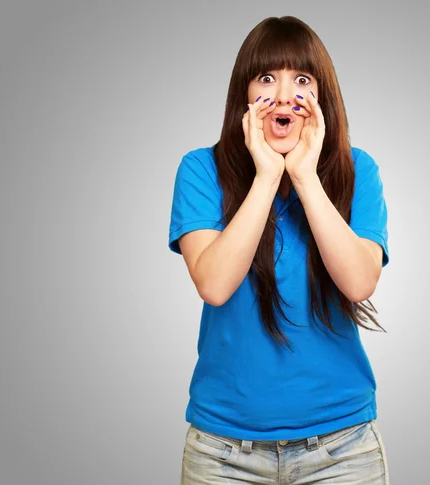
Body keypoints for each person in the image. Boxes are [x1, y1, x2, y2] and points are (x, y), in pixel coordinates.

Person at [169, 15, 391, 484]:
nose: (284, 96)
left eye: (302, 80)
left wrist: (306, 178)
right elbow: (213, 283)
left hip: (342, 449)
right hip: (222, 453)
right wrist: (268, 175)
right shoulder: (200, 169)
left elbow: (359, 282)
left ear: (321, 97)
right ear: (245, 96)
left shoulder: (358, 170)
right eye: (267, 77)